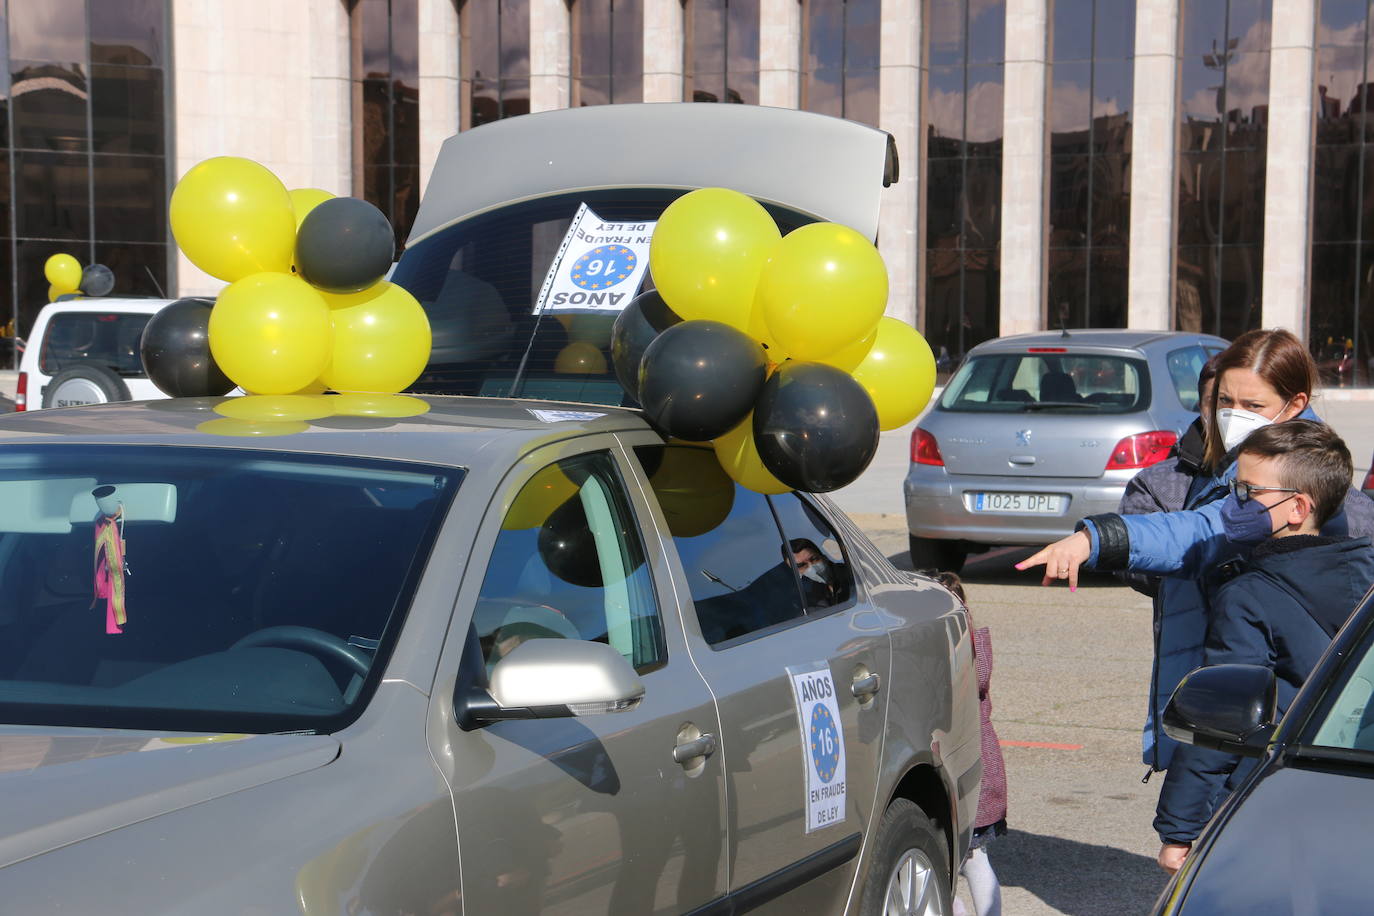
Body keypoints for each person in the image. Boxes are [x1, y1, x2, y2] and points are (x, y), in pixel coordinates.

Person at [1153, 421, 1374, 873]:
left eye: (1247, 493)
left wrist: (1179, 830)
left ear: (1297, 507)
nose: (1233, 502)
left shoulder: (1247, 595)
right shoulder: (1366, 571)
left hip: (1274, 794)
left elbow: (1219, 722)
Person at [1114, 354, 1220, 775]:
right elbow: (1136, 563)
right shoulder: (1162, 482)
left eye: (1249, 402)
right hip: (1191, 669)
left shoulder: (1311, 479)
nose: (1229, 413)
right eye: (1218, 400)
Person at [929, 570, 1006, 916]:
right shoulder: (976, 644)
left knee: (948, 865)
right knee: (975, 860)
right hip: (984, 773)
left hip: (959, 773)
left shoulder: (944, 655)